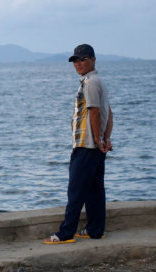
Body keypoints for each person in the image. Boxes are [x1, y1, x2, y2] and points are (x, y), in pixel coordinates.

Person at [45, 43, 114, 244]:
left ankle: (65, 233)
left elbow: (94, 111)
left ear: (93, 60)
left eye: (83, 59)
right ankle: (95, 230)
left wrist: (99, 140)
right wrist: (106, 139)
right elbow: (108, 114)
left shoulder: (90, 83)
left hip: (86, 145)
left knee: (75, 190)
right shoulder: (98, 81)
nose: (78, 63)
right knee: (95, 190)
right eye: (75, 60)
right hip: (96, 146)